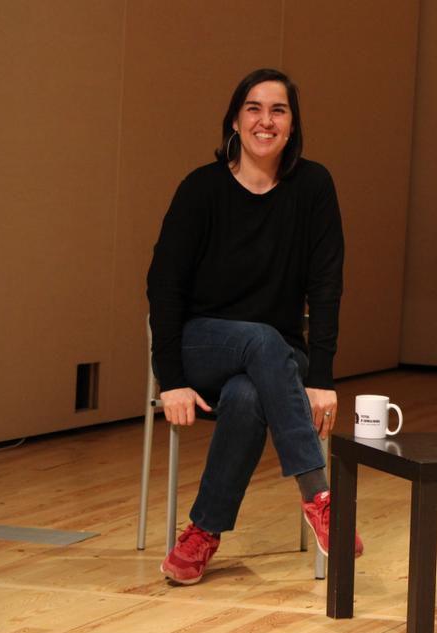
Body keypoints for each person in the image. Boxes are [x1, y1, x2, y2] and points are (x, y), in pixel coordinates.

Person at [147, 68, 359, 585]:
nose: (266, 121)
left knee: (247, 395)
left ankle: (201, 533)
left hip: (277, 357)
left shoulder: (313, 186)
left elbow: (326, 287)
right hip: (204, 345)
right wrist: (170, 377)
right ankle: (319, 496)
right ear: (235, 120)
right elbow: (163, 286)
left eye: (278, 110)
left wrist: (323, 378)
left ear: (292, 125)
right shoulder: (201, 189)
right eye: (254, 108)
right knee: (258, 340)